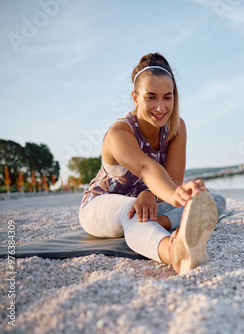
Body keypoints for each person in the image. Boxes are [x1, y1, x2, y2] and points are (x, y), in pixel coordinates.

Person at [79, 53, 226, 274]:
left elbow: (173, 179)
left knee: (214, 200)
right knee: (133, 210)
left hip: (152, 203)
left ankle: (161, 222)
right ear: (135, 97)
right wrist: (174, 196)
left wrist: (180, 195)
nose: (160, 107)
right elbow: (146, 167)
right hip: (102, 205)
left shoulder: (176, 127)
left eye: (167, 97)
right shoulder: (119, 132)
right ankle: (174, 252)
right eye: (151, 97)